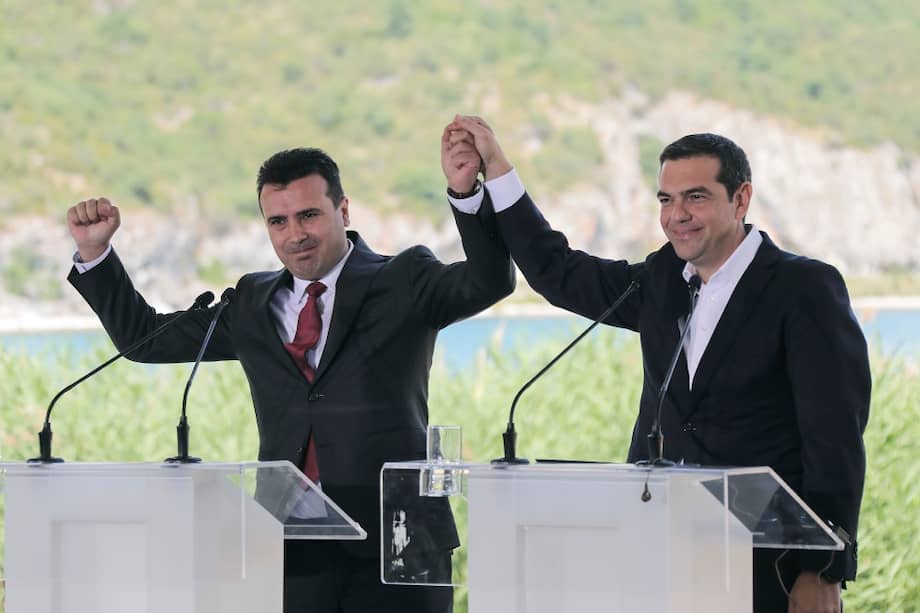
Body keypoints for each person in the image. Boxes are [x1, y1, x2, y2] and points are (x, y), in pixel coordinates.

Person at [65, 132, 515, 613]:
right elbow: (145, 340)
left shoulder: (404, 279)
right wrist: (96, 254)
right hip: (290, 553)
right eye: (277, 221)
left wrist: (466, 195)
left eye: (309, 215)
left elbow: (490, 280)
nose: (294, 234)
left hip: (399, 545)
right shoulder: (250, 302)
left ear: (344, 210)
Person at [444, 115, 870, 613]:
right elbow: (556, 270)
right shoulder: (661, 278)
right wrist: (493, 174)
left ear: (741, 199)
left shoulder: (804, 288)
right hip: (655, 553)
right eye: (666, 200)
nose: (677, 215)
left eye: (696, 197)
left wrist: (823, 569)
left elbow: (835, 438)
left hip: (765, 566)